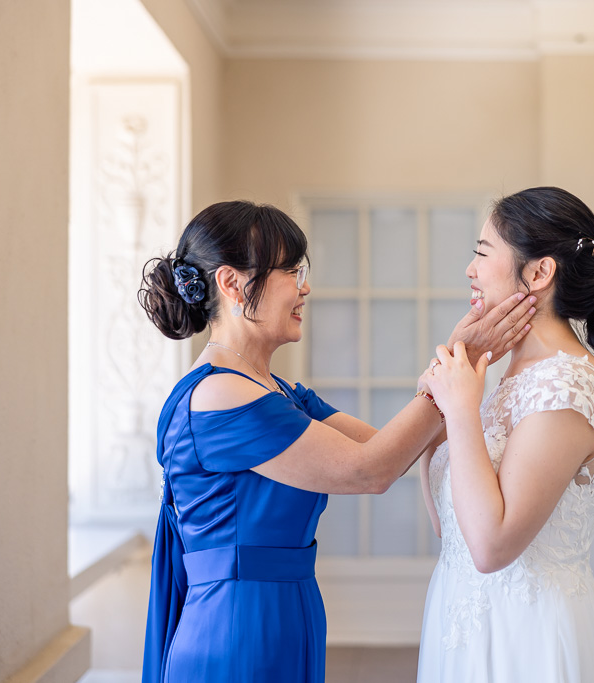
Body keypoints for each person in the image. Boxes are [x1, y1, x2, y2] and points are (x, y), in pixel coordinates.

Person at [136, 200, 536, 682]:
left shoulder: (279, 392)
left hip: (288, 613)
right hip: (237, 628)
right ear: (231, 282)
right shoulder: (219, 397)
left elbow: (392, 449)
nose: (304, 287)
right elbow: (369, 471)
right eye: (291, 270)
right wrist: (460, 364)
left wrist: (456, 363)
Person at [416, 187, 594, 682]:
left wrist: (460, 410)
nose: (470, 270)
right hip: (464, 623)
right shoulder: (508, 375)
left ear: (540, 272)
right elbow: (448, 524)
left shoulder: (564, 389)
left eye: (481, 253)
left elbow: (491, 547)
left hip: (527, 641)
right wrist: (442, 402)